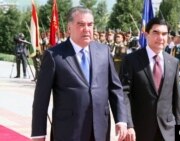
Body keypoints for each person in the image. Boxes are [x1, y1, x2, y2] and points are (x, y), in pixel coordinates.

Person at [31, 6, 127, 141]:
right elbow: (41, 98)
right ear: (69, 28)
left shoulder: (103, 51)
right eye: (81, 24)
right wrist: (38, 133)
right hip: (68, 130)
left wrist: (121, 120)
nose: (87, 29)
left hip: (99, 129)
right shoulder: (54, 55)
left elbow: (115, 88)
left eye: (90, 24)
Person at [120, 17, 180, 141]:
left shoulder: (173, 62)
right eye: (156, 33)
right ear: (146, 34)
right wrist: (128, 124)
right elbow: (124, 94)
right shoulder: (131, 60)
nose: (161, 38)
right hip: (140, 129)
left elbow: (176, 99)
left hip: (167, 130)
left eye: (164, 34)